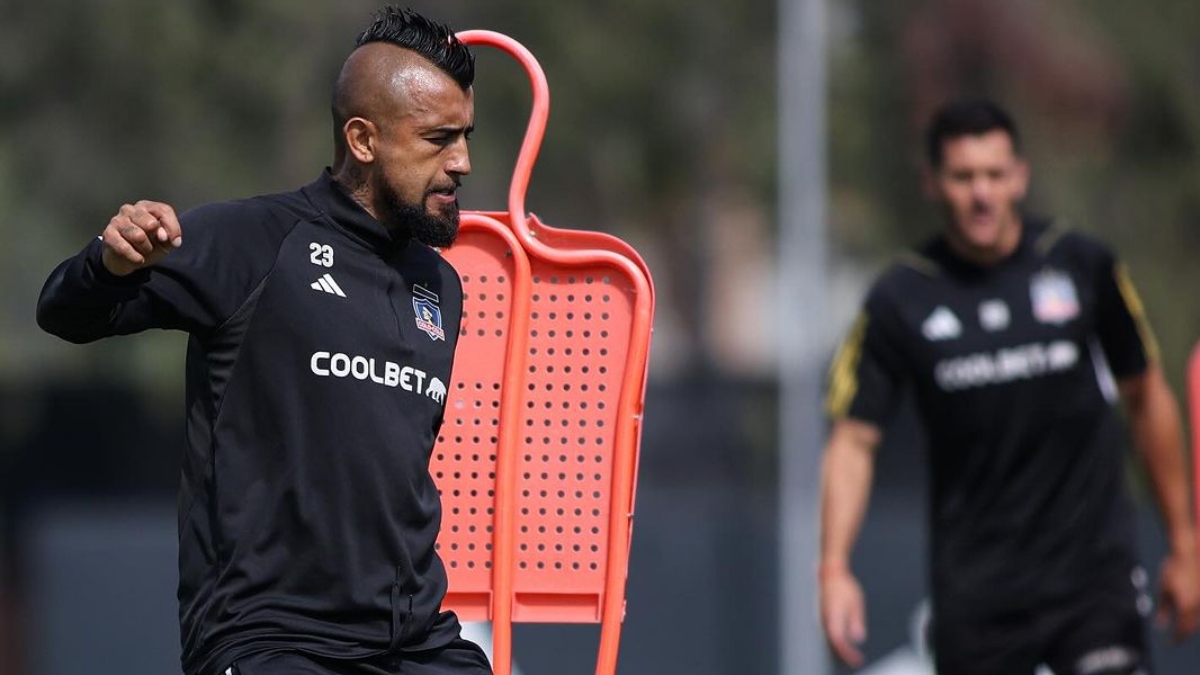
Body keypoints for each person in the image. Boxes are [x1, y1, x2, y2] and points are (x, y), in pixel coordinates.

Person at [36, 7, 491, 675]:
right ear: (363, 139)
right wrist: (108, 259)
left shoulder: (439, 286)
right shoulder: (249, 241)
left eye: (466, 136)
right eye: (438, 138)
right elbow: (63, 311)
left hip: (413, 643)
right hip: (271, 641)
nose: (463, 162)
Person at [817, 98, 1200, 674]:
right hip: (977, 595)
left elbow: (1147, 398)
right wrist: (835, 567)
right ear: (932, 181)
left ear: (1020, 176)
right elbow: (853, 443)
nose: (981, 195)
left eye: (995, 175)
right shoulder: (901, 298)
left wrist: (1184, 541)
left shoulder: (1081, 265)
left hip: (1092, 581)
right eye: (963, 177)